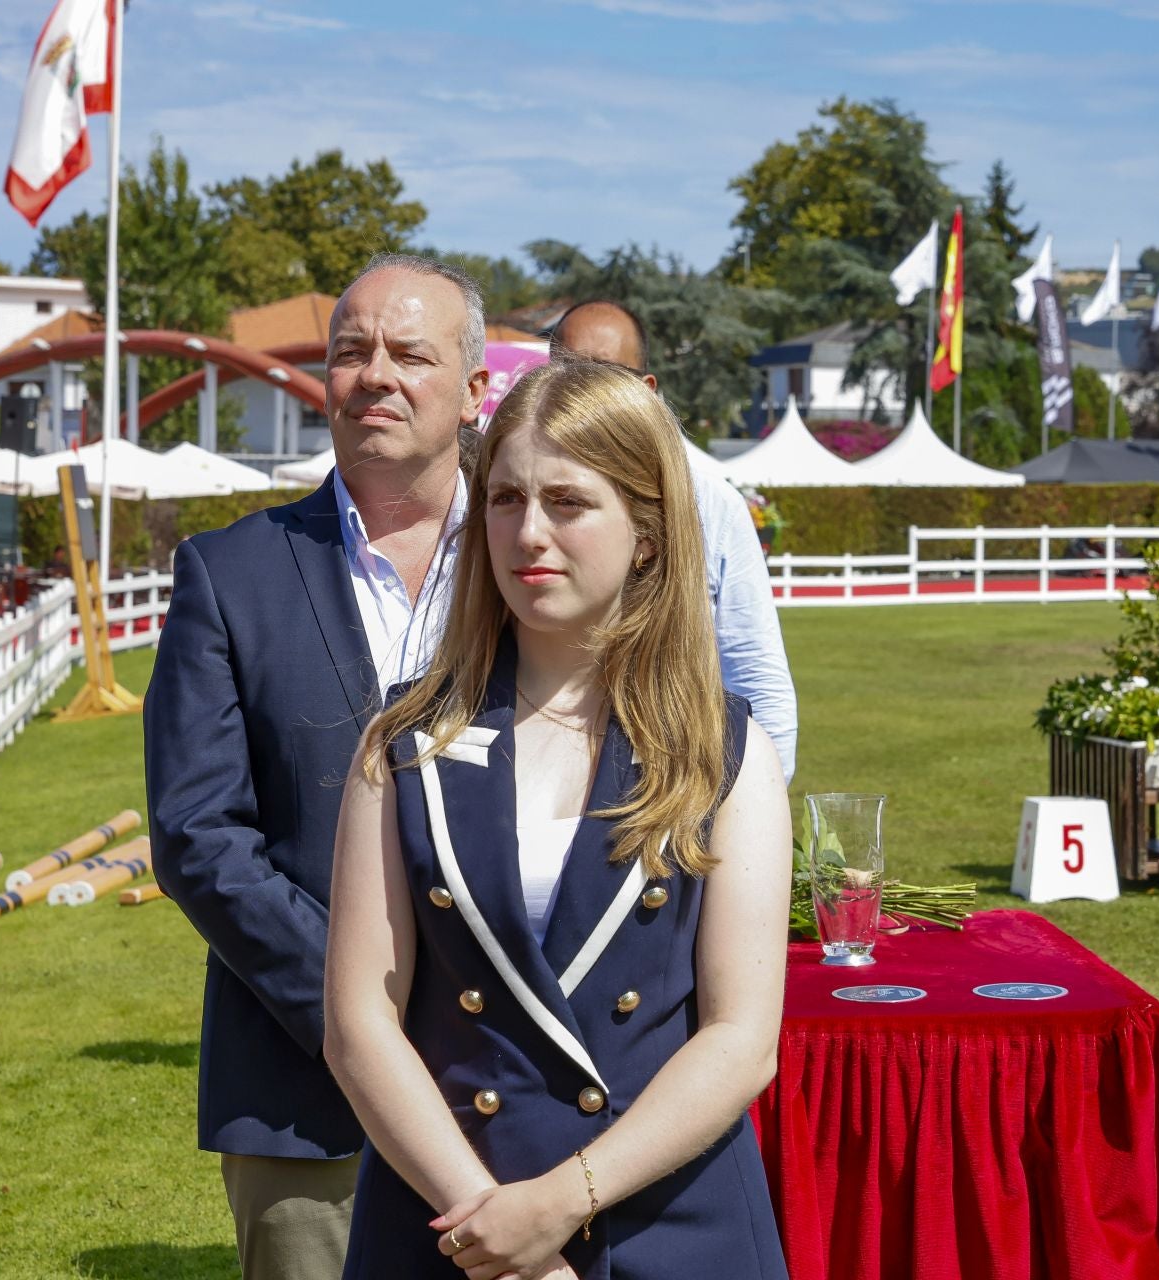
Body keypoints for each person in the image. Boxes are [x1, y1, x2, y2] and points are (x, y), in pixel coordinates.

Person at [324, 358, 792, 1280]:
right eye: (504, 498)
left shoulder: (727, 750)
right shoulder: (405, 739)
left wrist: (560, 1201)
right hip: (448, 1221)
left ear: (649, 533)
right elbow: (360, 1025)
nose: (528, 533)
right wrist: (498, 1237)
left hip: (668, 1222)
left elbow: (742, 1039)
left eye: (569, 502)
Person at [147, 253, 488, 1279]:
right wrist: (365, 1018)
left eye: (410, 352)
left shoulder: (534, 565)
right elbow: (199, 836)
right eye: (351, 351)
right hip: (305, 1107)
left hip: (513, 1086)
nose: (375, 373)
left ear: (475, 390)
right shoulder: (231, 574)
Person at [548, 299, 798, 781]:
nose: (581, 388)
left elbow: (756, 671)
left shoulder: (711, 502)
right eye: (566, 368)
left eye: (602, 372)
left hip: (676, 780)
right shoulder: (515, 496)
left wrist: (761, 806)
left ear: (646, 389)